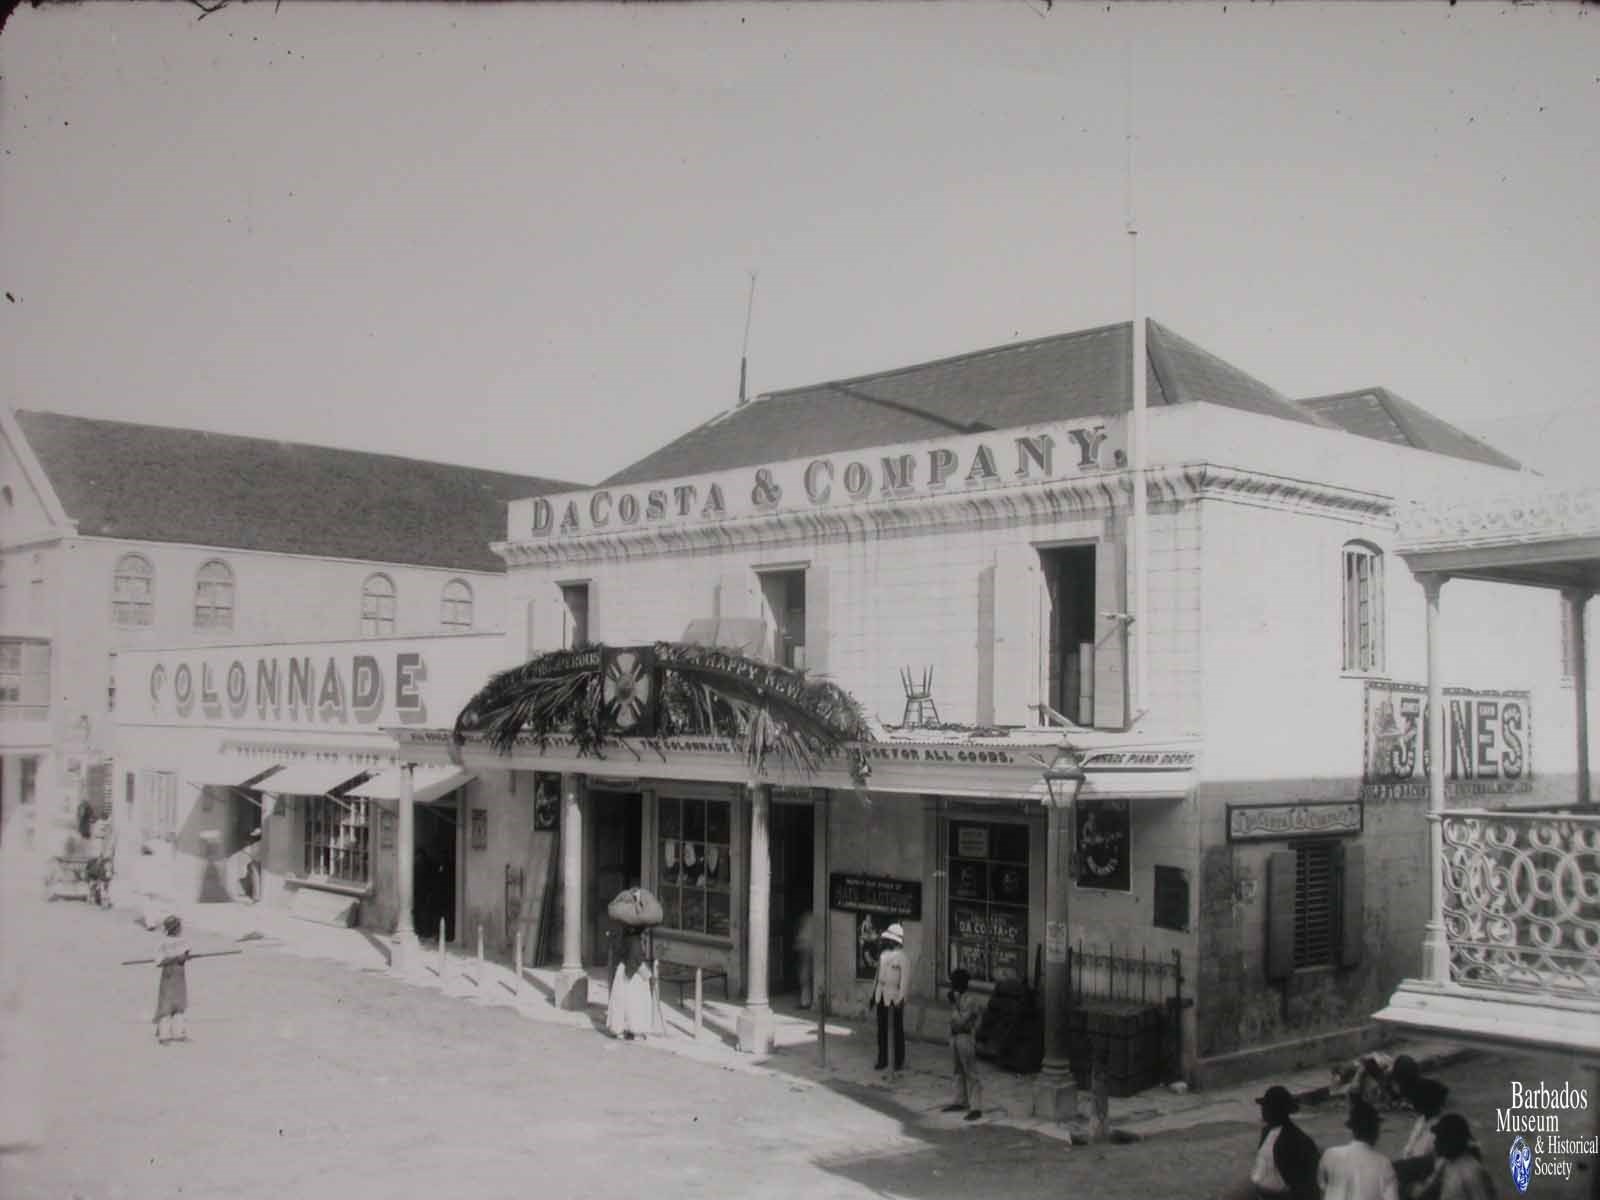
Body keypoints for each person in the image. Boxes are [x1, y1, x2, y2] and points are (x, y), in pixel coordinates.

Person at [1319, 1097, 1400, 1200]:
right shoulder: (1383, 1163)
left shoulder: (1329, 1155)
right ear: (1375, 1131)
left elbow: (1322, 1186)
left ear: (1353, 1130)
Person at [1251, 1084, 1322, 1200]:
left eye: (1267, 1106)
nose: (1263, 1110)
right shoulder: (1266, 1132)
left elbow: (1309, 1182)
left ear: (1277, 1110)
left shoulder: (1297, 1140)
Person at [1412, 1114, 1497, 1200]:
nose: (1435, 1143)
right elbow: (1427, 1190)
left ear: (1450, 1142)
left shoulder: (1472, 1173)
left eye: (1439, 1138)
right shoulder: (1446, 1162)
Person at [1393, 1077, 1451, 1195]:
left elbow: (1440, 1167)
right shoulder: (1422, 1120)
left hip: (1426, 1180)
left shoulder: (1443, 1127)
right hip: (1412, 1171)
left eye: (1416, 1101)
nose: (1413, 1105)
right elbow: (1409, 1150)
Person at [940, 967, 983, 1122]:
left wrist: (955, 1004)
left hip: (965, 1037)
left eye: (955, 983)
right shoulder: (959, 998)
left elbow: (961, 1021)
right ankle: (960, 1100)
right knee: (957, 1071)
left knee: (971, 1072)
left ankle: (976, 1107)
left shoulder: (969, 1000)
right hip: (955, 1037)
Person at [872, 922, 909, 1076]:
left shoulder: (903, 958)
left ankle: (898, 1060)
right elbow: (877, 976)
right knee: (881, 1029)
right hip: (881, 995)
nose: (886, 942)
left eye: (889, 940)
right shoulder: (883, 956)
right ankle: (882, 1059)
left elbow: (905, 981)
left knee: (897, 1029)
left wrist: (901, 999)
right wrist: (872, 995)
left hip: (894, 997)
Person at [605, 926, 655, 1041]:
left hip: (622, 970)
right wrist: (648, 975)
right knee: (635, 1002)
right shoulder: (635, 941)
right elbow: (635, 961)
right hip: (632, 975)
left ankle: (619, 1029)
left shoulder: (624, 938)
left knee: (621, 1001)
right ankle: (635, 1030)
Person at [154, 914, 191, 1044]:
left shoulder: (183, 940)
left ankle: (179, 1033)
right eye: (178, 927)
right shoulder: (162, 943)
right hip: (168, 975)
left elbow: (187, 953)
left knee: (180, 1004)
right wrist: (175, 958)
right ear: (173, 928)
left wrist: (185, 956)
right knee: (166, 1005)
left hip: (180, 975)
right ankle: (164, 1036)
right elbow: (159, 961)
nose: (180, 929)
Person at [794, 910, 815, 1009]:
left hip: (807, 949)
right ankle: (805, 1001)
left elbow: (804, 937)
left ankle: (805, 1002)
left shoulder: (809, 918)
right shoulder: (808, 918)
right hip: (807, 948)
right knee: (805, 975)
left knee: (805, 976)